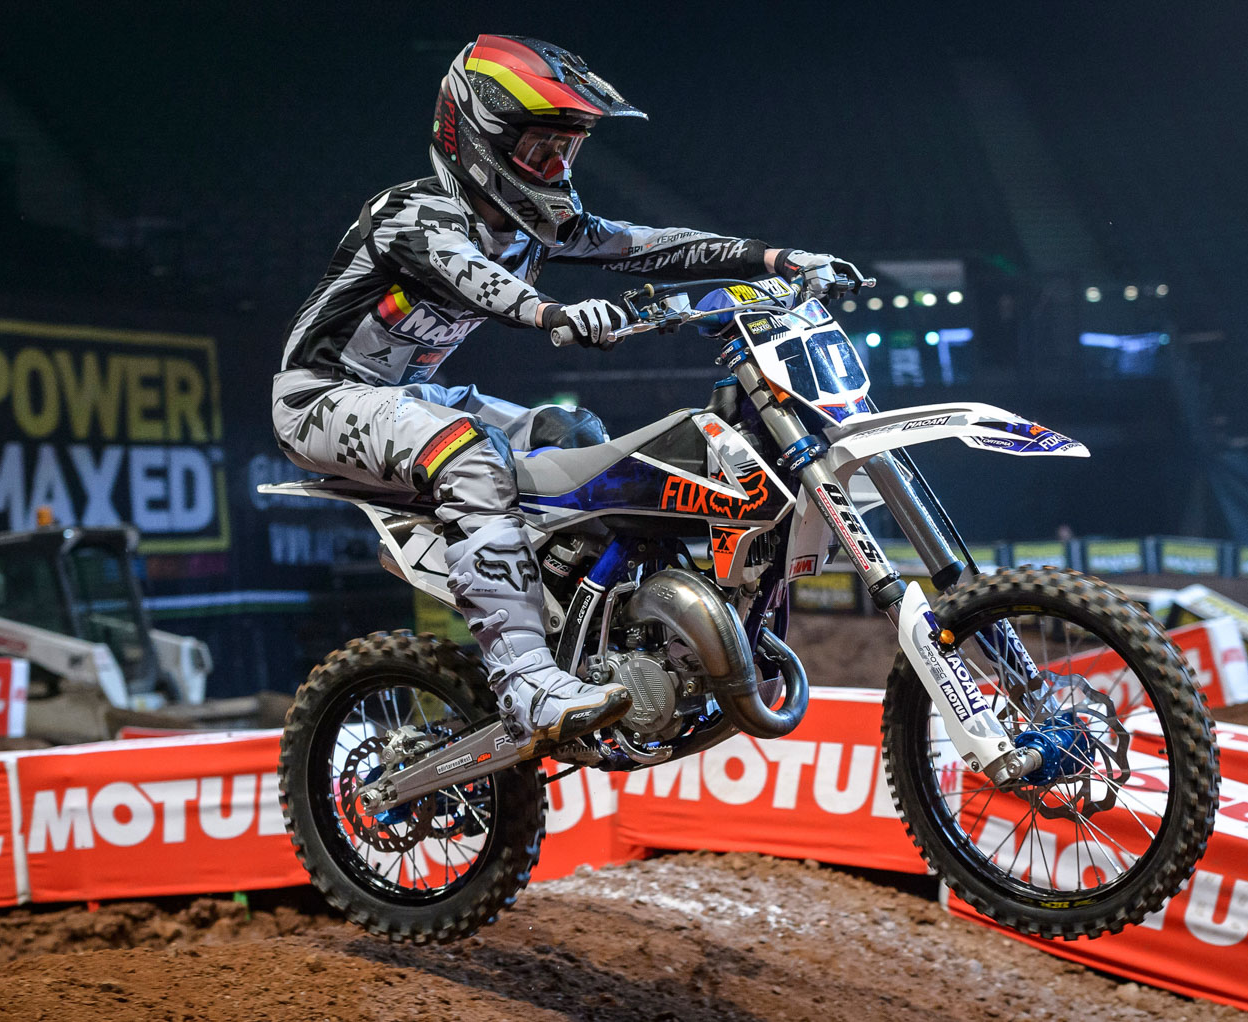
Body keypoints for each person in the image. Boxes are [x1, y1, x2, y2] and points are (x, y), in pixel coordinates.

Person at [271, 34, 861, 751]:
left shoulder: (536, 226)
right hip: (320, 398)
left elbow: (649, 246)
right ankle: (524, 677)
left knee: (577, 441)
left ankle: (588, 633)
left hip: (414, 397)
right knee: (470, 455)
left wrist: (773, 258)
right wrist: (551, 313)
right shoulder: (412, 214)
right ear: (476, 138)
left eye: (566, 151)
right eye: (540, 150)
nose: (555, 168)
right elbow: (473, 277)